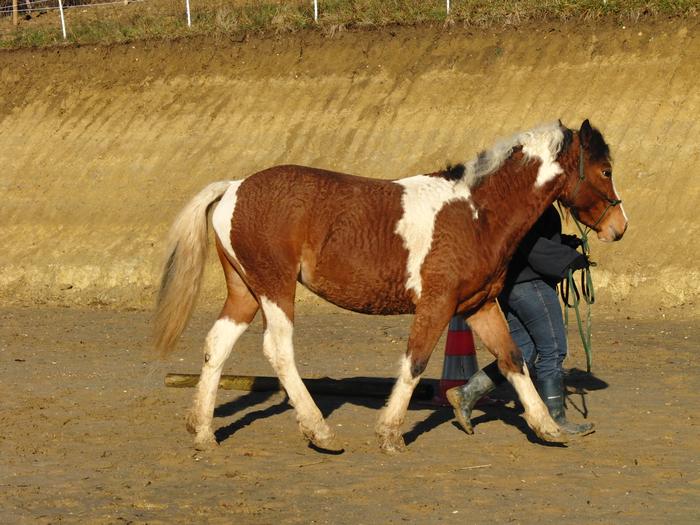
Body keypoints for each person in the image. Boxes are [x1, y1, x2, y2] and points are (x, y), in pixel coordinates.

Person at [446, 205, 594, 436]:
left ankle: (467, 393)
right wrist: (570, 259)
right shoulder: (531, 206)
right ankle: (556, 419)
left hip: (511, 285)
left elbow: (530, 239)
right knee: (552, 350)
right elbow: (531, 247)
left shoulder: (523, 202)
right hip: (530, 285)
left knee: (522, 353)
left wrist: (564, 244)